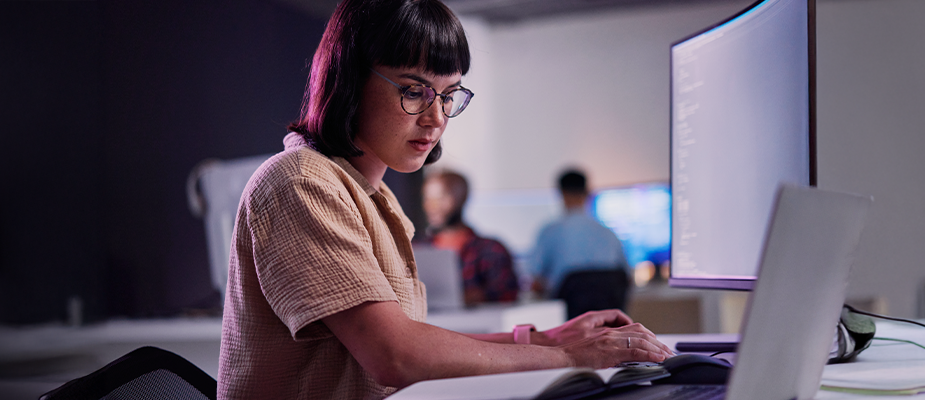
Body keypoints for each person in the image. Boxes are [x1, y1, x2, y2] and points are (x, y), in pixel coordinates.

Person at [217, 1, 674, 399]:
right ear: (350, 79)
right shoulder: (300, 181)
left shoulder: (373, 197)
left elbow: (410, 340)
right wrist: (569, 357)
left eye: (449, 95)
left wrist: (546, 340)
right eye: (413, 91)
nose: (436, 117)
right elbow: (396, 356)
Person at [532, 169, 632, 320]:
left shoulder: (550, 232)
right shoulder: (609, 233)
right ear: (587, 192)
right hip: (608, 323)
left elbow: (536, 282)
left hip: (568, 325)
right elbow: (627, 278)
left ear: (561, 193)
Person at [421, 170, 519, 306]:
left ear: (462, 198)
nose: (432, 206)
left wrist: (465, 298)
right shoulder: (416, 250)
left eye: (441, 199)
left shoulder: (492, 250)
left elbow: (507, 295)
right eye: (428, 199)